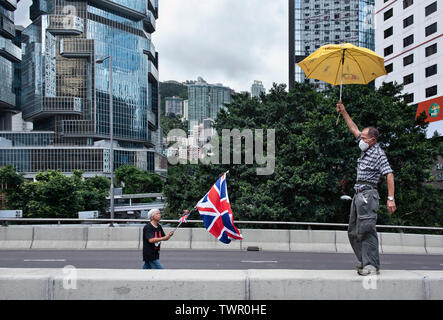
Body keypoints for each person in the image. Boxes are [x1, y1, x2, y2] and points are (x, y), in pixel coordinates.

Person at [337, 101, 397, 276]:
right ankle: (364, 262)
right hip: (357, 194)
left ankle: (371, 265)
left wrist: (391, 198)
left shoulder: (378, 153)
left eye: (364, 138)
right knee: (353, 231)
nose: (360, 140)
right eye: (361, 137)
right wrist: (344, 112)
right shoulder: (365, 149)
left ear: (373, 140)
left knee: (367, 228)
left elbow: (389, 174)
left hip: (368, 194)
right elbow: (354, 128)